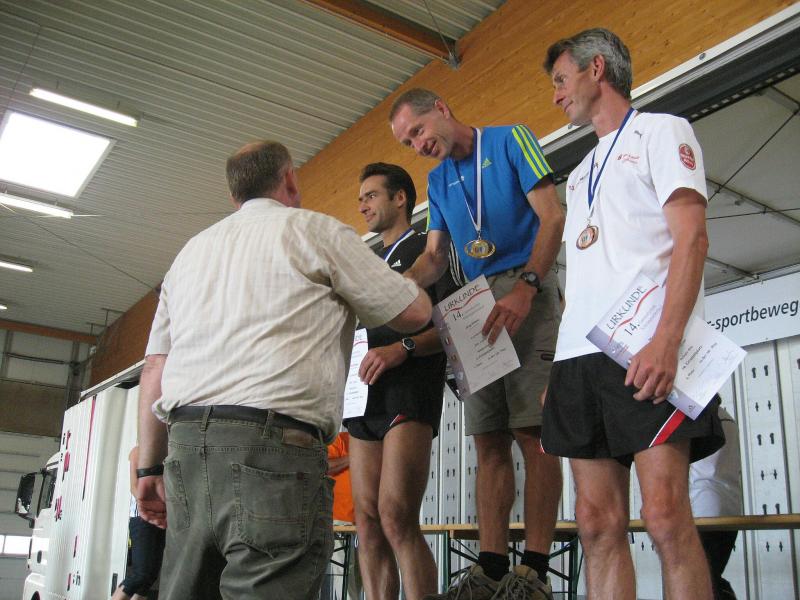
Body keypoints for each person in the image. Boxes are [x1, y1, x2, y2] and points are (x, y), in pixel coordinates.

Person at [135, 141, 433, 600]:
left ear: (234, 193)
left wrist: (148, 468)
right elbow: (413, 314)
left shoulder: (189, 254)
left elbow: (155, 367)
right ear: (289, 178)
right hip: (272, 452)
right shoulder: (317, 232)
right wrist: (418, 275)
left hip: (186, 451)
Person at [542, 28, 725, 599]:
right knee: (596, 524)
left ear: (597, 69)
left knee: (666, 516)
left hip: (644, 347)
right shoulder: (578, 174)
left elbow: (692, 237)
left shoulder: (663, 131)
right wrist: (558, 367)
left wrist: (667, 341)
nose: (556, 95)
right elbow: (581, 276)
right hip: (579, 358)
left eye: (561, 80)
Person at [390, 89, 565, 599]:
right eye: (408, 143)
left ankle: (533, 572)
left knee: (532, 431)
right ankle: (490, 570)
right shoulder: (437, 180)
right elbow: (433, 259)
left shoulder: (512, 140)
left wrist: (527, 287)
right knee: (488, 439)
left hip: (525, 286)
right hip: (473, 301)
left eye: (419, 130)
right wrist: (390, 288)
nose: (419, 145)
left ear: (442, 108)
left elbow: (553, 217)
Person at [344, 162, 456, 600]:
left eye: (371, 195)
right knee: (367, 522)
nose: (362, 205)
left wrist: (402, 348)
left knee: (396, 515)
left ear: (400, 198)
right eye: (360, 198)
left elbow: (454, 326)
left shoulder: (428, 250)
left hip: (409, 392)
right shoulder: (367, 263)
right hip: (363, 398)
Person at [690, 406, 743, 599]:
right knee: (709, 578)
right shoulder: (724, 417)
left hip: (701, 511)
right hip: (728, 510)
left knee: (700, 582)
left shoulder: (696, 416)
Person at [111, 446, 165, 600]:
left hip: (161, 517)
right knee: (140, 574)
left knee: (150, 577)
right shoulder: (138, 452)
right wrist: (148, 504)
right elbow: (134, 487)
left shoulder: (166, 451)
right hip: (142, 518)